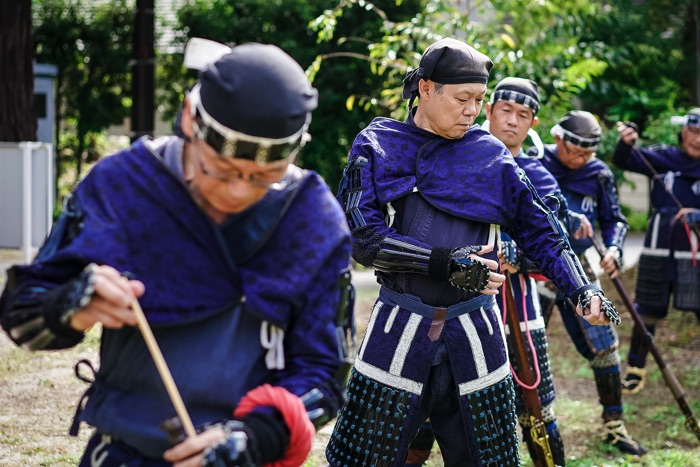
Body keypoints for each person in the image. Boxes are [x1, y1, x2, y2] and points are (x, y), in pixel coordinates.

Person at [0, 38, 355, 467]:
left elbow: (326, 374)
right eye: (220, 171)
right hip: (126, 453)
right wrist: (72, 302)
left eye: (263, 177)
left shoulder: (313, 220)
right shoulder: (125, 187)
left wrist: (255, 437)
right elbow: (21, 316)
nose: (238, 191)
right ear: (190, 118)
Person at [326, 37, 618, 467]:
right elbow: (362, 239)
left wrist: (581, 289)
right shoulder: (378, 144)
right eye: (463, 98)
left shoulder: (489, 156)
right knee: (362, 460)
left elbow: (543, 231)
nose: (472, 111)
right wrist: (445, 263)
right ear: (426, 89)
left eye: (480, 100)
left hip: (476, 335)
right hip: (397, 329)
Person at [404, 77, 594, 467]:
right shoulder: (451, 158)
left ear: (533, 123)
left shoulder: (539, 177)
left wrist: (516, 256)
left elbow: (552, 247)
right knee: (423, 404)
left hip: (518, 309)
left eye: (522, 115)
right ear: (488, 110)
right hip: (452, 304)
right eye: (505, 110)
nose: (511, 121)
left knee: (535, 407)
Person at [535, 110, 646, 455]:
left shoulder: (598, 174)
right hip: (534, 263)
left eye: (588, 153)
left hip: (579, 264)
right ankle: (523, 424)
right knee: (519, 346)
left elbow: (614, 218)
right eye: (576, 151)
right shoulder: (535, 163)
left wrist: (613, 248)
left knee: (604, 344)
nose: (581, 159)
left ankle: (614, 424)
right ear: (558, 139)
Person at [614, 110, 700, 394]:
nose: (697, 139)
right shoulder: (664, 157)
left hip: (694, 253)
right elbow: (624, 160)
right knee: (648, 308)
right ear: (683, 132)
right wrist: (626, 141)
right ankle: (636, 368)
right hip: (657, 247)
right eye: (693, 132)